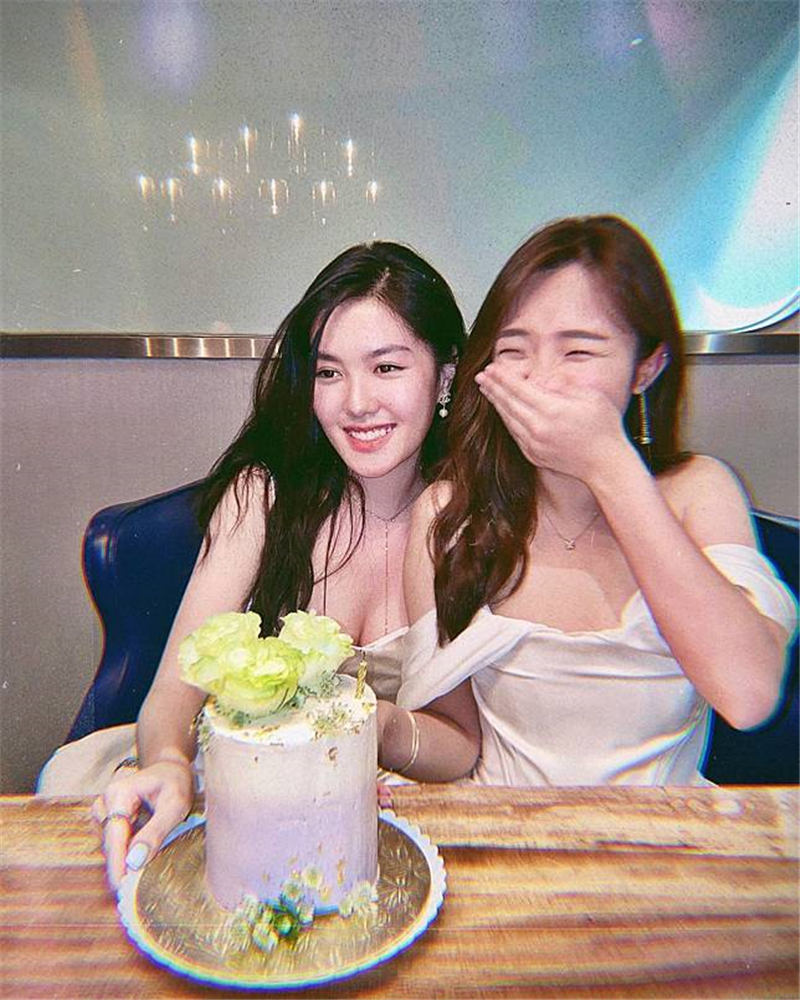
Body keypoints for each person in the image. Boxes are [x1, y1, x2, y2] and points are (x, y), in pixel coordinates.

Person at [39, 241, 465, 887]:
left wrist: (371, 733)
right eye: (328, 373)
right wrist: (169, 763)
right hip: (241, 795)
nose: (355, 403)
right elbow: (172, 694)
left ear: (446, 377)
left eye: (386, 367)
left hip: (396, 808)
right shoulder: (262, 498)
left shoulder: (463, 521)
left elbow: (462, 742)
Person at [376, 215, 797, 787]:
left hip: (663, 831)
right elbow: (456, 740)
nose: (540, 378)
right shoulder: (451, 513)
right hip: (503, 825)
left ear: (646, 368)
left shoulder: (699, 490)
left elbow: (748, 694)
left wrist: (608, 466)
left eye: (578, 352)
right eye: (514, 350)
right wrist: (381, 730)